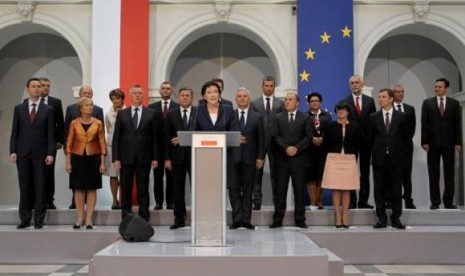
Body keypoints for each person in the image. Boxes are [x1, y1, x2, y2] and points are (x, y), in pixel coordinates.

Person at [10, 78, 55, 229]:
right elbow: (14, 132)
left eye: (39, 86)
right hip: (22, 153)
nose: (37, 89)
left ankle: (39, 220)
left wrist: (50, 153)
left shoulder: (48, 109)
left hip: (41, 154)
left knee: (40, 187)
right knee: (24, 186)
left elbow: (51, 134)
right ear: (27, 88)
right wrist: (13, 151)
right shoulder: (19, 108)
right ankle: (24, 219)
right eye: (34, 86)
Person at [112, 84, 160, 222]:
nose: (137, 95)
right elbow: (117, 137)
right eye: (135, 93)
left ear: (143, 95)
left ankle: (144, 218)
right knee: (125, 190)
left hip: (144, 157)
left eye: (140, 93)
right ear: (130, 95)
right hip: (125, 158)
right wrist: (116, 158)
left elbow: (155, 138)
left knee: (143, 190)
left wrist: (155, 157)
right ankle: (125, 218)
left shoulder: (151, 113)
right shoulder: (122, 113)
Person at [269, 92, 311, 229]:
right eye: (286, 99)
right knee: (280, 190)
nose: (286, 102)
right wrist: (286, 148)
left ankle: (300, 219)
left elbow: (308, 137)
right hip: (282, 160)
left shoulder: (305, 117)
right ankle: (277, 220)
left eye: (290, 100)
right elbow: (274, 136)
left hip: (299, 160)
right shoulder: (277, 117)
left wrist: (296, 149)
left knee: (299, 190)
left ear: (297, 103)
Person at [370, 88, 409, 229]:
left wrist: (401, 156)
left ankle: (396, 218)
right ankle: (381, 218)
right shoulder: (373, 117)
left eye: (383, 97)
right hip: (379, 158)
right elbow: (371, 138)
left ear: (391, 99)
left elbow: (406, 138)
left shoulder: (402, 117)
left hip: (396, 159)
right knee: (379, 189)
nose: (380, 99)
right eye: (379, 97)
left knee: (396, 189)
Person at [421, 78, 462, 210]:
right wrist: (424, 141)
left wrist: (458, 142)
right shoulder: (427, 103)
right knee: (433, 174)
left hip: (449, 143)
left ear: (446, 88)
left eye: (439, 87)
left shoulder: (454, 104)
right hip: (432, 144)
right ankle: (435, 202)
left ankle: (449, 202)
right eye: (436, 87)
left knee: (449, 174)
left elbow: (457, 124)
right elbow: (424, 124)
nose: (436, 89)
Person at [65, 97, 106, 229]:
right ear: (80, 108)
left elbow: (102, 144)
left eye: (91, 105)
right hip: (77, 158)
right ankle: (79, 218)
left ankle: (89, 219)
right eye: (87, 105)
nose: (90, 107)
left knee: (91, 188)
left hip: (93, 158)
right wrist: (68, 162)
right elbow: (69, 144)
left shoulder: (98, 123)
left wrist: (103, 163)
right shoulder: (74, 123)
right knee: (78, 188)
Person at [229, 87, 265, 230]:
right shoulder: (230, 116)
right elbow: (225, 136)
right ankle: (236, 220)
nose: (242, 98)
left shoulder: (257, 116)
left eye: (245, 96)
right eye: (239, 96)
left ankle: (246, 220)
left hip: (251, 159)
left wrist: (260, 157)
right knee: (234, 191)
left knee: (248, 190)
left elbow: (261, 139)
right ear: (236, 99)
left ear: (249, 98)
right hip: (233, 159)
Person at [322, 101, 360, 228]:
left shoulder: (355, 127)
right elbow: (325, 143)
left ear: (348, 112)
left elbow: (357, 144)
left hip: (349, 159)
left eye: (343, 109)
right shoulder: (330, 126)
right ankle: (338, 216)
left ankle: (345, 216)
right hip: (334, 159)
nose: (340, 112)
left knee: (346, 188)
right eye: (338, 109)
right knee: (336, 188)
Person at [341, 75, 376, 209]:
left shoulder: (370, 101)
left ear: (362, 84)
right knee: (351, 171)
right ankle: (351, 200)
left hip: (367, 141)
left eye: (357, 82)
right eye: (352, 83)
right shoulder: (345, 101)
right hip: (351, 141)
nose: (355, 85)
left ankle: (363, 201)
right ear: (350, 85)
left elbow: (373, 121)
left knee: (365, 172)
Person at [164, 88, 197, 229]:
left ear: (192, 97)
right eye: (182, 95)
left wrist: (185, 138)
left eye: (187, 95)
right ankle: (179, 219)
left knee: (197, 188)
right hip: (176, 158)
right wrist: (167, 158)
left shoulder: (199, 112)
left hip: (195, 156)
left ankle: (198, 218)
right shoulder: (171, 114)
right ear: (179, 98)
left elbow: (202, 132)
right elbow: (166, 137)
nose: (184, 98)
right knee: (177, 189)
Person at [250, 76, 284, 210]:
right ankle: (256, 202)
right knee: (256, 174)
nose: (269, 88)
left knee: (276, 174)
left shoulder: (280, 104)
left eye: (271, 86)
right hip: (258, 143)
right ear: (262, 86)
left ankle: (277, 202)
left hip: (275, 143)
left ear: (274, 87)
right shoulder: (254, 103)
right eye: (266, 85)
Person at [148, 81, 179, 210]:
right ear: (160, 91)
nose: (166, 90)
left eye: (168, 88)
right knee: (157, 177)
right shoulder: (151, 107)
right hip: (156, 148)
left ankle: (171, 202)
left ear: (171, 91)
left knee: (172, 176)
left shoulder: (177, 107)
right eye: (163, 88)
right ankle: (159, 202)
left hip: (173, 147)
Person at [38, 77, 64, 210]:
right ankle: (35, 200)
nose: (46, 88)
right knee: (35, 173)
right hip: (35, 144)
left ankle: (49, 200)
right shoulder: (29, 103)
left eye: (48, 85)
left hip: (50, 143)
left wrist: (59, 141)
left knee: (49, 173)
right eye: (43, 85)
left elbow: (60, 123)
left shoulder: (55, 102)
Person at [392, 84, 417, 209]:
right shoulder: (388, 109)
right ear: (392, 94)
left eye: (402, 91)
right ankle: (390, 200)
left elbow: (412, 129)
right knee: (391, 175)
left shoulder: (410, 109)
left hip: (406, 147)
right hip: (391, 147)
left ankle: (408, 199)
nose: (400, 94)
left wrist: (404, 142)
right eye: (397, 92)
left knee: (407, 174)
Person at [306, 92, 332, 210]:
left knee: (321, 176)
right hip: (309, 150)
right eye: (312, 101)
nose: (314, 103)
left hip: (324, 150)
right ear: (309, 103)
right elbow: (302, 131)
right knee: (311, 176)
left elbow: (331, 131)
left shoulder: (326, 116)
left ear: (320, 103)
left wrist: (323, 138)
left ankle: (319, 200)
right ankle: (312, 201)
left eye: (317, 101)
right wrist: (312, 138)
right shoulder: (304, 116)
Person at [104, 88, 125, 210]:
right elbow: (108, 129)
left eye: (117, 98)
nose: (115, 101)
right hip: (111, 147)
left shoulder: (128, 111)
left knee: (124, 175)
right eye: (113, 99)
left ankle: (123, 200)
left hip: (125, 147)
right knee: (113, 175)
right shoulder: (108, 114)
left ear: (122, 99)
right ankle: (114, 200)